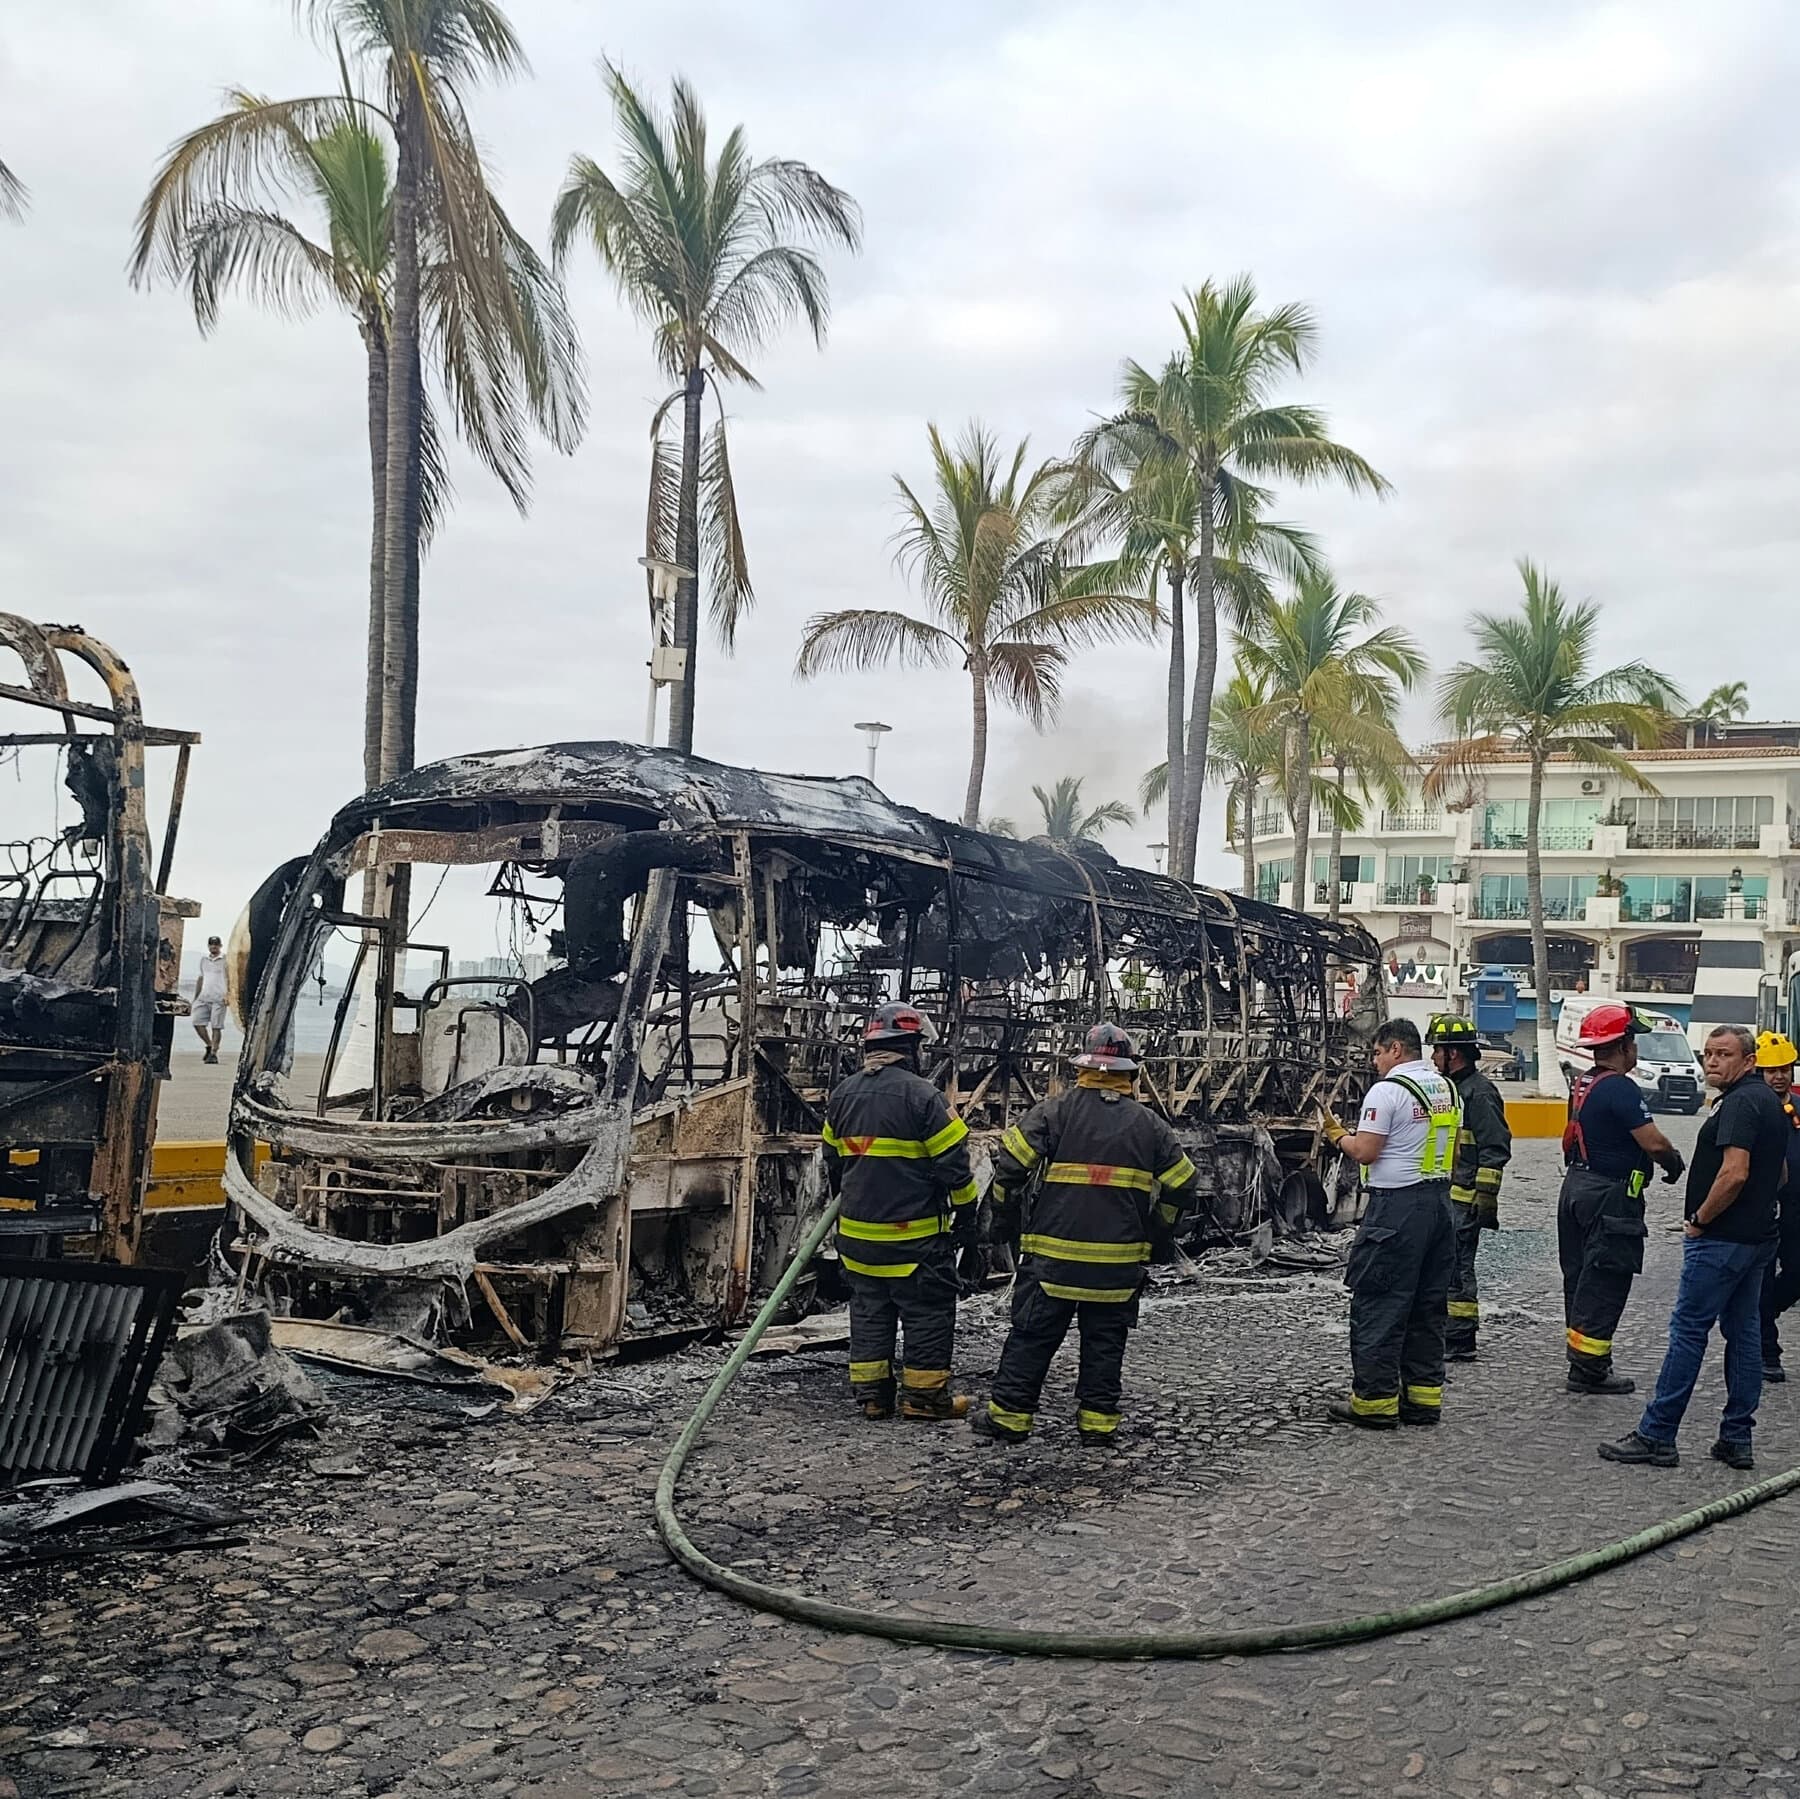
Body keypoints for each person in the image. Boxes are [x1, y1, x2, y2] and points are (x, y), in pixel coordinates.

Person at [971, 1023, 1197, 1447]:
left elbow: (1011, 1166)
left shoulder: (1054, 1113)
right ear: (1129, 1073)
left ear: (1083, 1068)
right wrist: (1159, 1230)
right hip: (1116, 1264)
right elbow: (1183, 1183)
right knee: (1105, 1343)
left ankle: (1011, 1418)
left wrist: (1003, 1217)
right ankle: (1097, 1425)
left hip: (1053, 1260)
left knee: (1033, 1337)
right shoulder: (1150, 1126)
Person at [1600, 1025, 1788, 1470]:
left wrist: (1700, 1220)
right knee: (1743, 1336)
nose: (1712, 1062)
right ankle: (1736, 1438)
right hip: (1757, 1240)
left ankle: (1657, 1434)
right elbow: (1778, 1173)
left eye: (1723, 1054)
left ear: (1749, 1061)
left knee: (1688, 1332)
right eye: (1708, 1054)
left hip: (1721, 1241)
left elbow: (1735, 1173)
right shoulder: (1771, 1104)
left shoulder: (1742, 1103)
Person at [822, 1002, 977, 1422]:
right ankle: (923, 1400)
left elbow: (833, 1161)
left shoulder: (842, 1095)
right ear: (912, 1048)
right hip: (914, 1241)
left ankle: (873, 1398)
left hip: (857, 1238)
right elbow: (954, 1165)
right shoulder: (923, 1096)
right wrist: (968, 1215)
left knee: (870, 1312)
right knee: (927, 1313)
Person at [1320, 1019, 1460, 1429]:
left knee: (1380, 1302)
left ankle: (1375, 1403)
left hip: (1396, 1209)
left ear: (1396, 1049)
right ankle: (1422, 1401)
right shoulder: (1447, 1089)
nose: (1376, 1062)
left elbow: (1365, 1151)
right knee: (1427, 1306)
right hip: (1439, 1205)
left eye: (1378, 1053)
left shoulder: (1388, 1091)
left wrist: (1336, 1135)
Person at [1557, 1004, 1686, 1395]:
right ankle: (1590, 1369)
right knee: (1606, 1277)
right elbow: (1652, 1141)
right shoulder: (1619, 1087)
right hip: (1609, 1198)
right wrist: (1674, 1162)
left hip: (1577, 1188)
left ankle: (1582, 1359)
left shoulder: (1584, 1084)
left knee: (1580, 1277)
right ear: (1625, 1044)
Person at [1426, 1016, 1512, 1361]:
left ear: (1454, 1054)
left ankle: (1461, 1339)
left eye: (1437, 1051)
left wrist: (1485, 1198)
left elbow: (1496, 1148)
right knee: (1445, 1267)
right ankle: (1445, 1332)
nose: (1433, 1058)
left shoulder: (1479, 1093)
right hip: (1446, 1196)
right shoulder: (1452, 1090)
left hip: (1464, 1199)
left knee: (1459, 1269)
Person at [1754, 1030, 1800, 1381]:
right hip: (1762, 1208)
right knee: (1764, 1280)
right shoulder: (1750, 1107)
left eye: (1784, 1069)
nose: (1779, 1076)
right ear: (1761, 1073)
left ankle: (1766, 1313)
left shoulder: (1798, 1109)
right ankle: (1768, 1353)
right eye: (1772, 1071)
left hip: (1797, 1208)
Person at [191, 935, 229, 1064]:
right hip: (204, 996)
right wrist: (195, 998)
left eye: (216, 944)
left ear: (220, 946)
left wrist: (229, 995)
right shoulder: (204, 960)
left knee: (216, 1026)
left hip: (219, 997)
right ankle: (209, 1044)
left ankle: (213, 1053)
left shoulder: (225, 960)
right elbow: (201, 978)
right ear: (208, 946)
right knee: (197, 1022)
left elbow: (231, 979)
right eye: (211, 944)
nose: (214, 946)